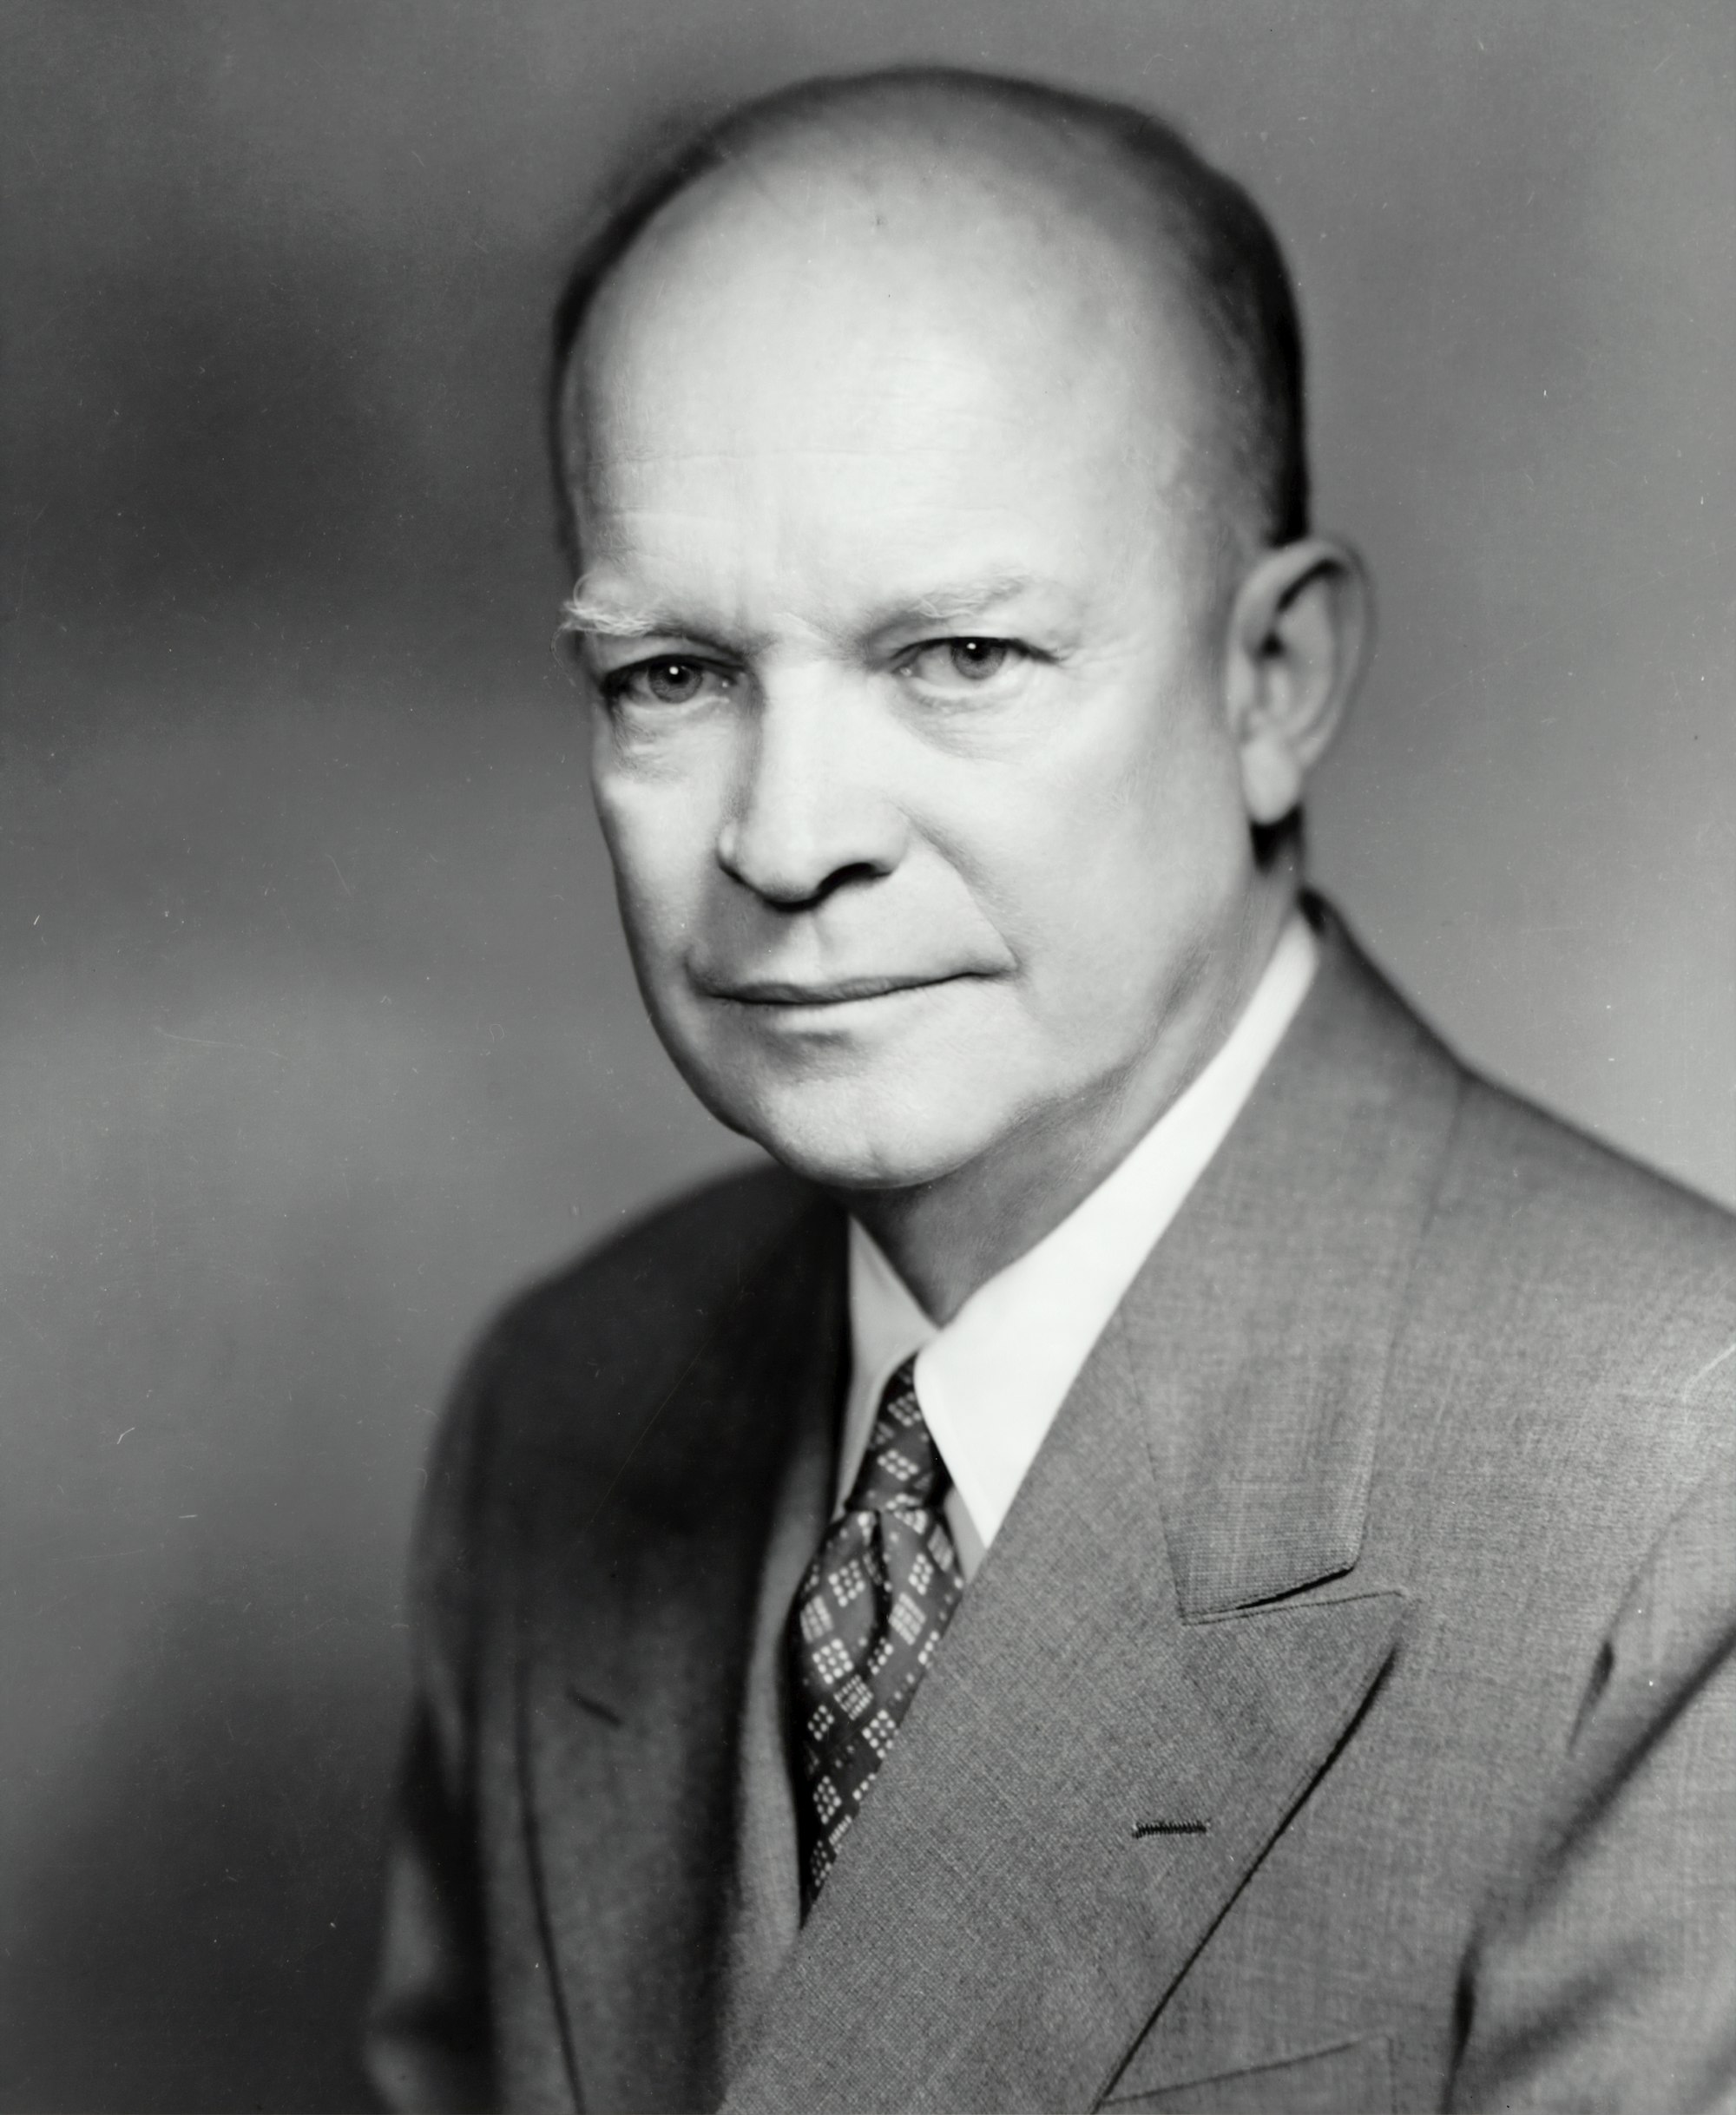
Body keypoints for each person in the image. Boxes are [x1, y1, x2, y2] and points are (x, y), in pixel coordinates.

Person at [364, 66, 1735, 2115]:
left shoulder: (1679, 1494)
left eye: (962, 658)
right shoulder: (565, 1406)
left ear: (1272, 683)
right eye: (672, 674)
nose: (788, 833)